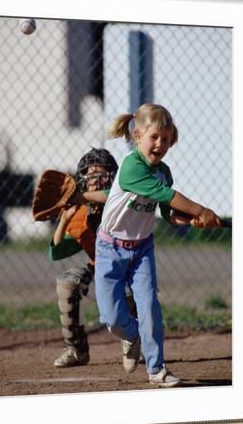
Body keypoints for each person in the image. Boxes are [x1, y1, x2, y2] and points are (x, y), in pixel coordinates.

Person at [94, 103, 221, 387]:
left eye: (165, 139)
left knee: (149, 305)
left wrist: (191, 220)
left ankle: (156, 369)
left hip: (141, 249)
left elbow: (169, 213)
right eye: (154, 137)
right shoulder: (130, 167)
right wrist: (201, 209)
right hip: (109, 248)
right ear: (137, 136)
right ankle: (131, 335)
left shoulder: (164, 171)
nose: (160, 144)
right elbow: (167, 194)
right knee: (112, 317)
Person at [49, 148, 120, 368]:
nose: (96, 181)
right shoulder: (79, 210)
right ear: (82, 180)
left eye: (103, 176)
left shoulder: (120, 203)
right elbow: (56, 251)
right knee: (67, 283)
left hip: (126, 266)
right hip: (98, 265)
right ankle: (76, 348)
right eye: (91, 176)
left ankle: (141, 343)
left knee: (128, 296)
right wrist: (65, 218)